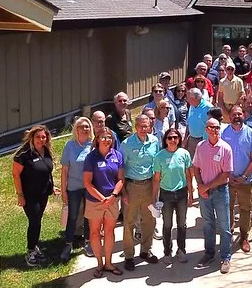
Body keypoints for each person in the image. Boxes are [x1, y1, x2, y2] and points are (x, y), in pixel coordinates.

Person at [12, 125, 59, 267]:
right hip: (29, 195)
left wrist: (52, 187)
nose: (41, 139)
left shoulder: (46, 151)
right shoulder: (23, 155)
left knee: (37, 220)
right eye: (38, 137)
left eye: (44, 137)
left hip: (43, 194)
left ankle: (34, 246)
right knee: (34, 222)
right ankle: (31, 252)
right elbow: (16, 175)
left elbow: (47, 172)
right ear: (32, 137)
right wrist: (20, 195)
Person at [193, 118, 234, 274]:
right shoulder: (200, 146)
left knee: (224, 226)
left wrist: (206, 186)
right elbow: (195, 167)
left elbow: (226, 175)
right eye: (211, 127)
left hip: (220, 192)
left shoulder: (226, 149)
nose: (214, 130)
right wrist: (200, 185)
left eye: (216, 127)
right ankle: (209, 253)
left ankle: (225, 257)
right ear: (206, 129)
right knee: (208, 224)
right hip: (204, 193)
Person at [82, 127, 125, 278]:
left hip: (112, 200)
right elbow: (87, 183)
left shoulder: (117, 155)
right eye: (104, 137)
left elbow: (120, 179)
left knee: (109, 232)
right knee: (94, 232)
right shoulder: (91, 157)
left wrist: (113, 196)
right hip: (95, 201)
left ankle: (109, 262)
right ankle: (99, 263)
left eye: (110, 138)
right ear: (98, 139)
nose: (107, 140)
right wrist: (102, 199)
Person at [121, 115, 161, 271]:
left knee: (149, 220)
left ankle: (145, 251)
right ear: (135, 127)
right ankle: (129, 255)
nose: (144, 129)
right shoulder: (127, 144)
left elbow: (156, 163)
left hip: (150, 185)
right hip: (132, 186)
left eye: (147, 126)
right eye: (141, 126)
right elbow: (121, 169)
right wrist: (123, 191)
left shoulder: (154, 141)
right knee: (129, 221)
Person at [220, 106, 252, 253]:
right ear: (229, 117)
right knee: (227, 208)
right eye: (234, 114)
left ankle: (244, 237)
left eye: (239, 113)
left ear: (244, 115)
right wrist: (228, 175)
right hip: (228, 180)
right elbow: (221, 156)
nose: (237, 116)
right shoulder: (224, 133)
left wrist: (243, 176)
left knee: (245, 209)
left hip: (246, 180)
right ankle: (228, 235)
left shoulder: (251, 134)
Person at [152, 128, 194, 263]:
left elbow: (189, 175)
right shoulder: (159, 156)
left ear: (179, 139)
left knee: (182, 224)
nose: (173, 140)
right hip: (166, 195)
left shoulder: (184, 154)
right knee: (167, 224)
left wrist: (191, 194)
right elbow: (156, 179)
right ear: (165, 140)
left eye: (175, 137)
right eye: (169, 138)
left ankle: (181, 250)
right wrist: (154, 198)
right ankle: (167, 252)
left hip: (181, 193)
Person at [60, 117, 94, 262]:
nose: (85, 129)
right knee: (72, 216)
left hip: (89, 187)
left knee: (88, 216)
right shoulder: (70, 146)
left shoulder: (92, 145)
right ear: (76, 129)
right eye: (81, 126)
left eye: (87, 126)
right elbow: (64, 170)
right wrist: (63, 190)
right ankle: (68, 244)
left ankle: (87, 242)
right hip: (73, 187)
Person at [184, 87, 212, 160]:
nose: (187, 100)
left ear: (196, 98)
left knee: (202, 162)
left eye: (189, 98)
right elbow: (188, 122)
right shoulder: (192, 106)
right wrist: (185, 137)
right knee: (191, 163)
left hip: (203, 140)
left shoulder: (208, 107)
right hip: (191, 139)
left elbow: (212, 125)